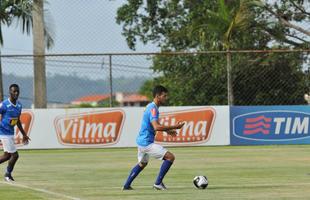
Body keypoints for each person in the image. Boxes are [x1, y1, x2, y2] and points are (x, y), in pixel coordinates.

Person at [123, 85, 185, 190]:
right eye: (164, 96)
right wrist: (175, 126)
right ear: (157, 96)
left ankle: (126, 185)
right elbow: (156, 126)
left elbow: (154, 125)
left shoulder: (151, 106)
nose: (166, 98)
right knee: (170, 157)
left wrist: (168, 131)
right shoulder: (153, 109)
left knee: (142, 164)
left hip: (142, 141)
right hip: (146, 143)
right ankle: (158, 183)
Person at [0, 84, 30, 181]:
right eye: (14, 91)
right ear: (10, 92)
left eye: (17, 91)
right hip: (4, 133)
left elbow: (17, 120)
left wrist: (24, 134)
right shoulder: (4, 105)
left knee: (7, 156)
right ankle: (7, 175)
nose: (16, 93)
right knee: (15, 155)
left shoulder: (19, 105)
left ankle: (8, 174)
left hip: (10, 133)